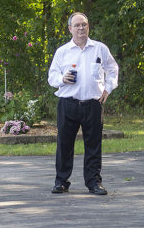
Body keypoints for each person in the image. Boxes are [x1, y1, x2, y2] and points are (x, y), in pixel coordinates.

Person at [47, 12, 119, 195]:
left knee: (94, 145)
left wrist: (108, 89)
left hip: (93, 104)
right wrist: (62, 79)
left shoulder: (100, 48)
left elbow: (113, 69)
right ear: (70, 29)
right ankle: (61, 181)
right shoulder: (62, 51)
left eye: (84, 25)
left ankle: (94, 182)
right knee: (64, 144)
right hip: (68, 103)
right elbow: (51, 76)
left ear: (88, 27)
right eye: (77, 25)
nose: (81, 28)